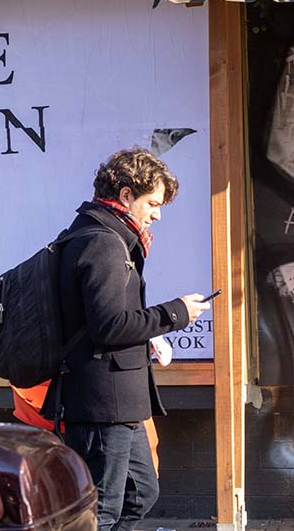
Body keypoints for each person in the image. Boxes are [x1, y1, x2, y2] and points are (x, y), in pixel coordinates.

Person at [56, 147, 210, 531]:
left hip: (120, 400)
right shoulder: (102, 242)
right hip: (102, 403)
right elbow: (108, 326)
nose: (157, 214)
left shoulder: (109, 238)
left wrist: (149, 335)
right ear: (126, 195)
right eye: (153, 203)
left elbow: (106, 319)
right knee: (103, 510)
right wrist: (174, 314)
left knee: (141, 492)